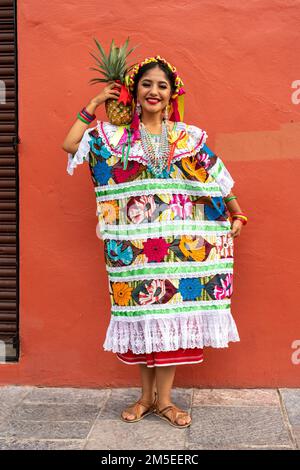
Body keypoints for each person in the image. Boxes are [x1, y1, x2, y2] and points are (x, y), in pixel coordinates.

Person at [62, 56, 247, 428]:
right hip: (132, 250)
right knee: (143, 315)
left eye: (162, 86)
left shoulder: (186, 136)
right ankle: (145, 398)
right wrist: (96, 103)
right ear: (134, 91)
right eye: (147, 84)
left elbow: (215, 174)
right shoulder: (113, 138)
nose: (154, 91)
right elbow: (69, 144)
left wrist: (238, 212)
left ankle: (165, 402)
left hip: (182, 247)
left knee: (172, 315)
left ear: (171, 94)